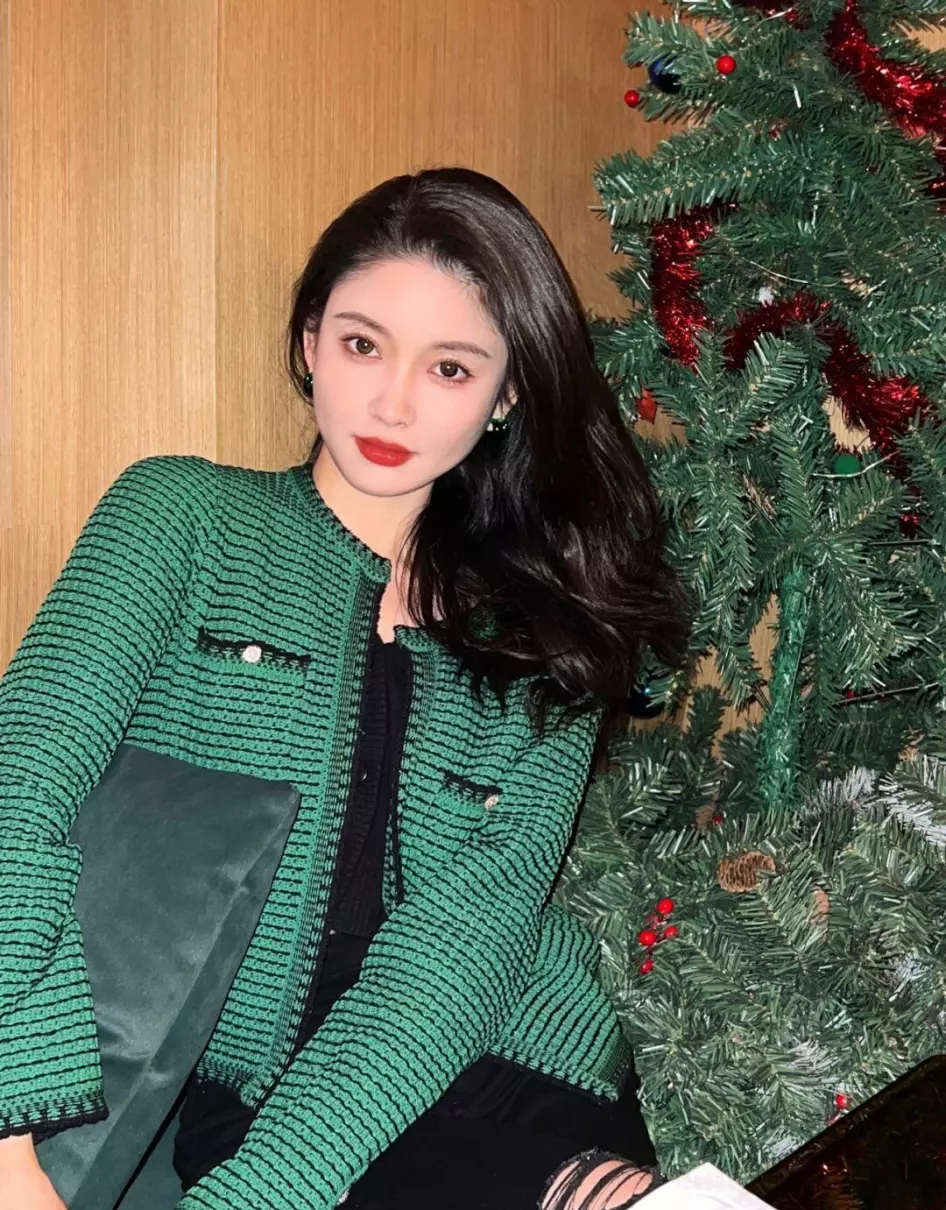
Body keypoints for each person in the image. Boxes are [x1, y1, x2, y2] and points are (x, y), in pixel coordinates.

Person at [0, 167, 692, 1210]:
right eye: (364, 345)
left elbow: (456, 959)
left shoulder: (545, 634)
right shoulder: (184, 522)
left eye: (450, 368)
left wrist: (261, 1199)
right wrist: (13, 1142)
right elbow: (20, 794)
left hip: (499, 1065)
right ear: (310, 340)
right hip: (253, 1091)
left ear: (506, 397)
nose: (393, 402)